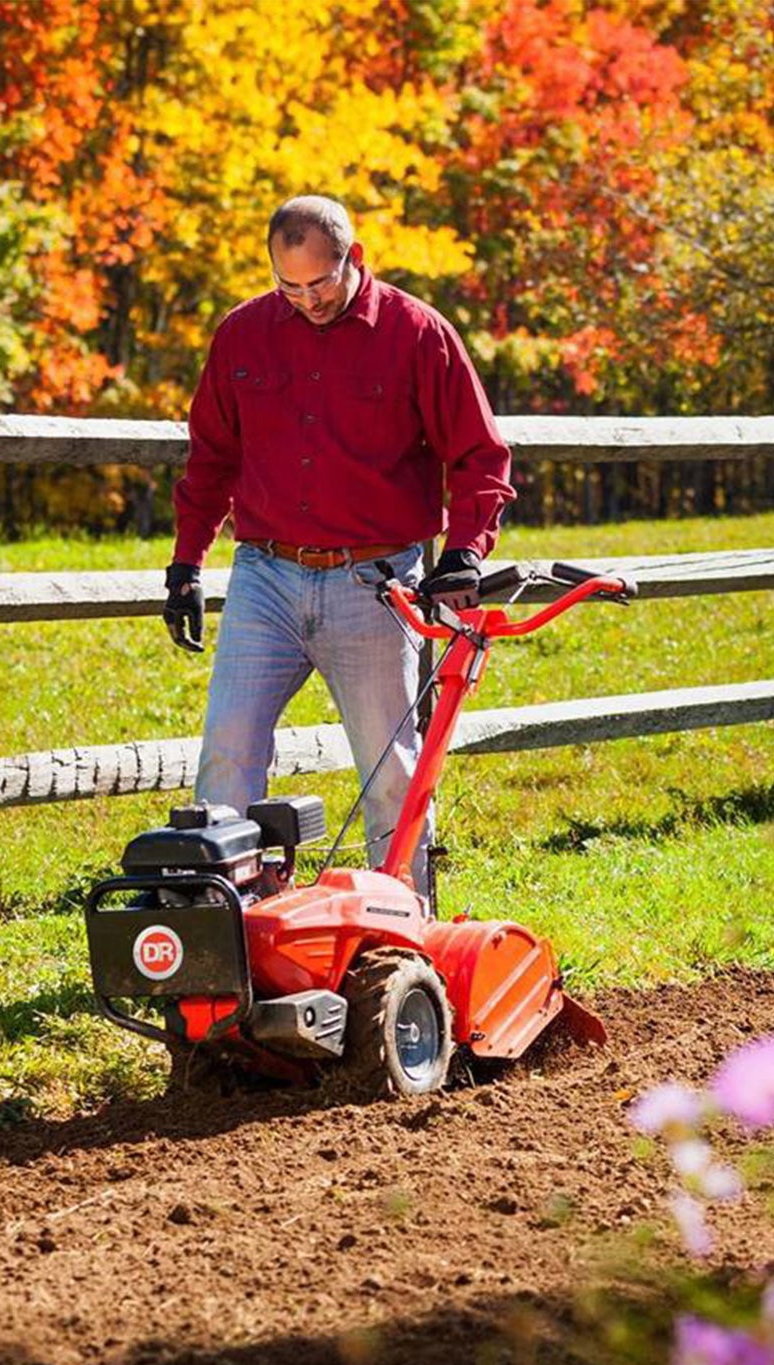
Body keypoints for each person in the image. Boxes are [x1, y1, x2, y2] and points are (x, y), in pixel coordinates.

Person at [162, 195, 514, 892]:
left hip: (373, 581)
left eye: (319, 283)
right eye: (287, 286)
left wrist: (464, 552)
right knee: (226, 754)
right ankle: (219, 926)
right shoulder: (243, 334)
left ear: (354, 258)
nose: (306, 300)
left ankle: (408, 923)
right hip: (265, 576)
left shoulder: (418, 333)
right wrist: (185, 563)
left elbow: (478, 453)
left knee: (391, 773)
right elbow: (210, 460)